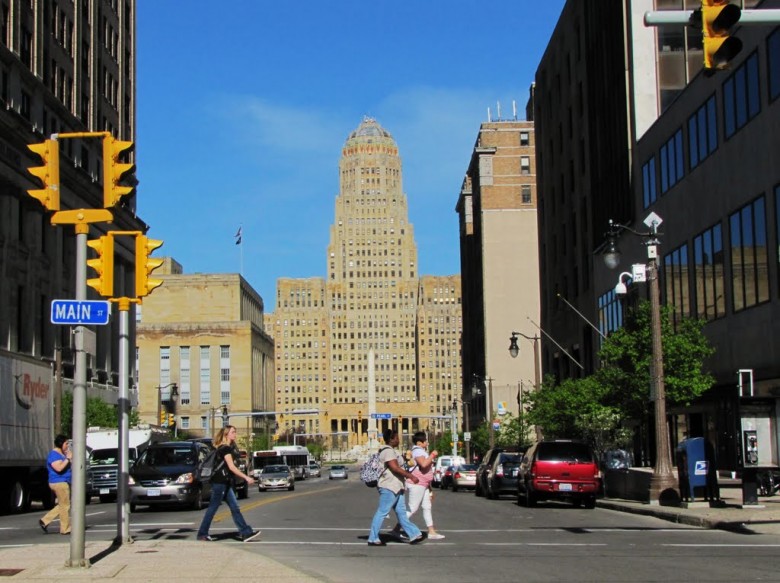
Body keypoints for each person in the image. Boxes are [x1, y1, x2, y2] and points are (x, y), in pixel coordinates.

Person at [197, 425, 259, 542]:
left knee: (234, 507)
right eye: (233, 432)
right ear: (226, 434)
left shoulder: (223, 447)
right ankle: (202, 534)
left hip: (224, 482)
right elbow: (232, 467)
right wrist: (246, 477)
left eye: (235, 432)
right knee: (213, 508)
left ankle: (245, 533)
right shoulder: (225, 449)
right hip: (219, 483)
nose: (235, 434)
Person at [367, 428, 425, 546]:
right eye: (397, 438)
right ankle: (373, 538)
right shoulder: (388, 451)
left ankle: (414, 534)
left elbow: (399, 465)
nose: (399, 440)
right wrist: (411, 476)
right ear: (391, 439)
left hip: (397, 486)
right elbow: (394, 468)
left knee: (401, 513)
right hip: (389, 486)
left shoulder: (392, 451)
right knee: (382, 512)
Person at [392, 431, 444, 540]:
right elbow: (423, 464)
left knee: (427, 507)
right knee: (412, 508)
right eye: (425, 441)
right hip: (417, 484)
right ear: (419, 443)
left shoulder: (420, 451)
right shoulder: (417, 451)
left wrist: (429, 488)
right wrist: (433, 455)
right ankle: (396, 529)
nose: (427, 443)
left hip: (423, 484)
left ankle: (431, 531)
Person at [39, 434, 72, 535]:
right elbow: (59, 468)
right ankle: (65, 528)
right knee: (65, 506)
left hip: (63, 481)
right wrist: (67, 459)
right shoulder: (54, 455)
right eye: (66, 443)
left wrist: (69, 457)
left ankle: (45, 520)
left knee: (63, 504)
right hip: (59, 482)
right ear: (61, 443)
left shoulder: (62, 454)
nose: (67, 445)